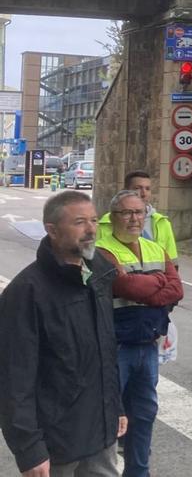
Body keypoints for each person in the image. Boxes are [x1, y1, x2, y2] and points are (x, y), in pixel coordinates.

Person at [0, 191, 126, 477]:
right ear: (52, 231)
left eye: (94, 220)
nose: (91, 229)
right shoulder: (27, 292)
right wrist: (29, 448)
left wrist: (116, 407)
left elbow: (105, 353)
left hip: (100, 434)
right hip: (57, 442)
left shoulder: (99, 276)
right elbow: (14, 377)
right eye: (80, 222)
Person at [96, 190, 184, 477]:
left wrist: (148, 289)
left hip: (148, 345)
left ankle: (139, 473)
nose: (134, 219)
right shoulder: (101, 250)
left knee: (144, 415)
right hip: (115, 348)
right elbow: (126, 288)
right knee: (107, 419)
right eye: (126, 212)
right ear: (113, 217)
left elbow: (177, 290)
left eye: (139, 212)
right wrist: (158, 283)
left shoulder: (155, 247)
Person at [98, 170, 178, 265]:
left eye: (147, 189)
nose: (143, 194)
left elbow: (172, 262)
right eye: (137, 188)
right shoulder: (104, 224)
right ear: (125, 191)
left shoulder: (162, 223)